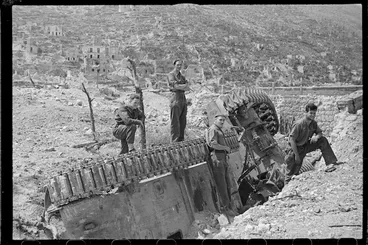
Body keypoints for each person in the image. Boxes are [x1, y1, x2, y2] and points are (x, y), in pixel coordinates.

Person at [285, 102, 343, 184]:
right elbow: (292, 140)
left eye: (314, 113)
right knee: (291, 174)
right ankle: (285, 192)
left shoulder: (313, 123)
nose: (312, 115)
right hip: (294, 151)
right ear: (306, 113)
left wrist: (316, 137)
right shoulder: (299, 124)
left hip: (305, 146)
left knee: (322, 140)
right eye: (311, 113)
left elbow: (320, 133)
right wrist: (297, 156)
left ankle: (330, 163)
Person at [207, 113, 238, 219]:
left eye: (223, 120)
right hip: (217, 158)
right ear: (215, 120)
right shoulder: (213, 130)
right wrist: (225, 148)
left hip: (222, 158)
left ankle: (229, 207)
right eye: (220, 120)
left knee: (227, 183)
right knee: (222, 185)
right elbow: (213, 144)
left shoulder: (218, 130)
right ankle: (225, 208)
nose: (222, 122)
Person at [167, 59, 190, 142]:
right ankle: (174, 141)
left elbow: (188, 87)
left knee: (183, 121)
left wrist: (180, 86)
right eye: (178, 65)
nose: (179, 66)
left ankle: (181, 140)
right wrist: (181, 86)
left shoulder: (182, 76)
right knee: (175, 122)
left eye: (181, 65)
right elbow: (175, 86)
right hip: (175, 98)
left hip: (183, 98)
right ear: (174, 65)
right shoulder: (171, 75)